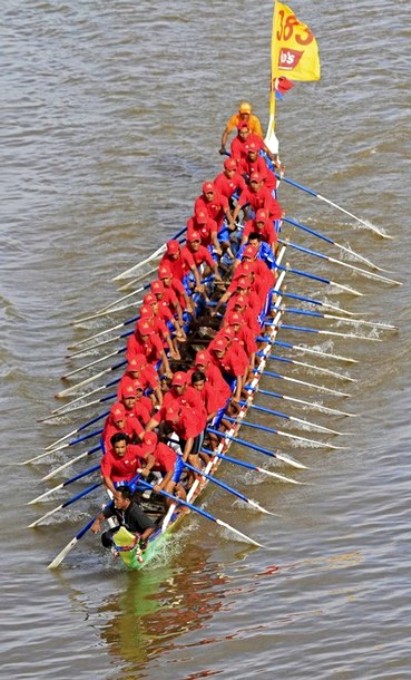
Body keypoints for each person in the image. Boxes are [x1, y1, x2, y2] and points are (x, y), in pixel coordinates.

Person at [91, 485, 156, 556]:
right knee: (106, 537)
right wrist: (97, 522)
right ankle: (116, 552)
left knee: (141, 542)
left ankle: (134, 550)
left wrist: (139, 540)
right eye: (114, 499)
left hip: (138, 534)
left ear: (127, 500)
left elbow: (151, 527)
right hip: (126, 530)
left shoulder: (135, 512)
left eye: (117, 499)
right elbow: (103, 515)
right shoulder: (116, 506)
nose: (114, 502)